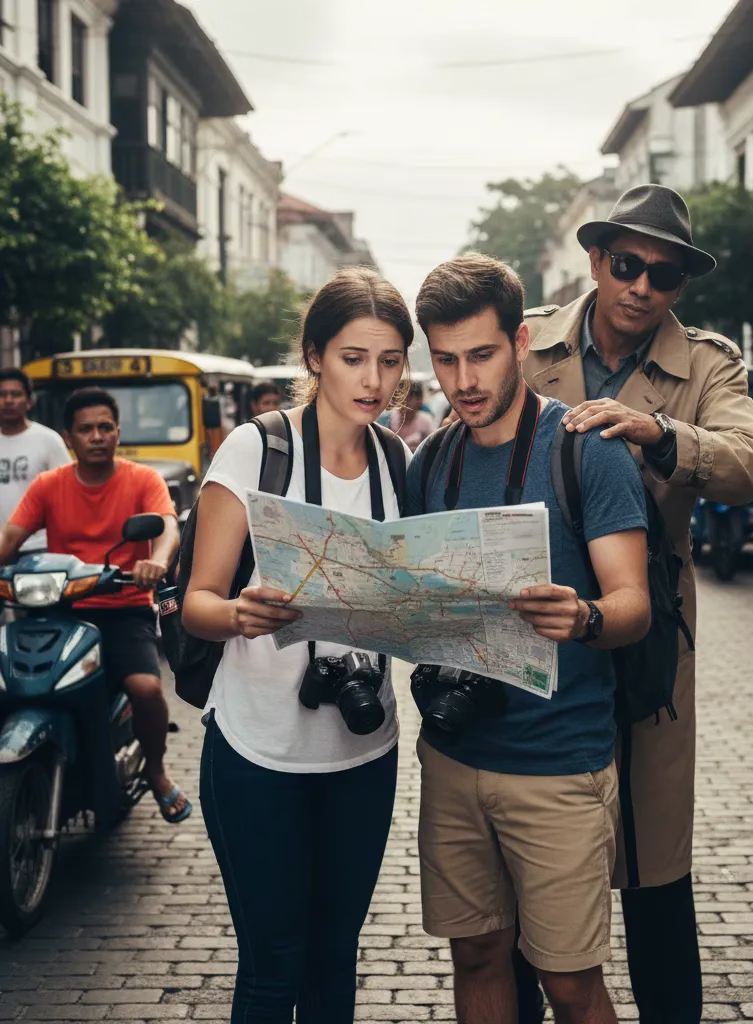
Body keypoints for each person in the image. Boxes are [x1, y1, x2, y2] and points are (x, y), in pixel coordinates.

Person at [521, 183, 753, 1024]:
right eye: (627, 264)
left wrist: (661, 435)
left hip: (651, 635)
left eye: (662, 275)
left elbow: (748, 463)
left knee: (654, 863)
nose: (641, 286)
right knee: (533, 857)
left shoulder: (709, 363)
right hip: (535, 625)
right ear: (595, 259)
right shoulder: (529, 345)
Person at [408, 253, 652, 1024]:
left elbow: (634, 606)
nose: (463, 381)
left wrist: (582, 616)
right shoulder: (429, 461)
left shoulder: (587, 448)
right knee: (477, 955)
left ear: (519, 343)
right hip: (452, 760)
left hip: (558, 765)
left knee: (570, 983)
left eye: (481, 355)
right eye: (444, 360)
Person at [183, 268, 411, 1024]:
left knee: (334, 961)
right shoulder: (257, 449)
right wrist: (241, 613)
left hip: (363, 750)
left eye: (390, 360)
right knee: (274, 962)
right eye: (353, 358)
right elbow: (197, 605)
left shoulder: (397, 462)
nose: (374, 380)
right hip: (258, 751)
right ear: (314, 356)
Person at [0, 387, 187, 821]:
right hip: (58, 611)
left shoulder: (142, 480)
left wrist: (156, 562)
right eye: (87, 429)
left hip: (122, 611)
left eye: (106, 427)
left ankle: (156, 770)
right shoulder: (49, 485)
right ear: (69, 438)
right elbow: (11, 538)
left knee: (147, 689)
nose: (97, 436)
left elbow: (167, 527)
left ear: (118, 432)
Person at [0, 368, 71, 553]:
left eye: (15, 394)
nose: (8, 400)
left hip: (38, 548)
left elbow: (69, 492)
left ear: (29, 401)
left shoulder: (49, 441)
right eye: (2, 394)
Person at [389, 379, 435, 450]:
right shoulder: (389, 418)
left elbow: (434, 444)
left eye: (410, 398)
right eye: (402, 399)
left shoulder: (425, 420)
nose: (407, 403)